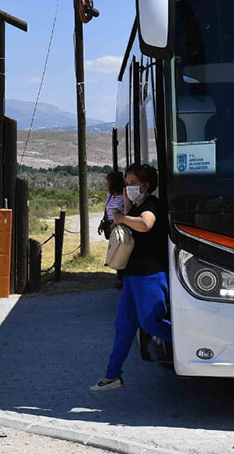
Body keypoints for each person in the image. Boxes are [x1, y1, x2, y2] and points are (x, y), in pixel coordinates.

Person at [91, 163, 173, 392]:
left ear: (147, 185)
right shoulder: (135, 206)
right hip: (134, 275)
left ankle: (189, 340)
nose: (129, 188)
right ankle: (112, 375)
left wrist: (122, 218)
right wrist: (126, 207)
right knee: (124, 326)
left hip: (150, 275)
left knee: (150, 322)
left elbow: (146, 224)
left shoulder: (151, 204)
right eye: (127, 184)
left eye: (133, 184)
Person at [97, 171, 126, 290]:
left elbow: (126, 210)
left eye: (108, 182)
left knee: (121, 250)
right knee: (115, 249)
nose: (107, 185)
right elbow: (106, 209)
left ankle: (122, 278)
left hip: (120, 225)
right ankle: (119, 276)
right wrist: (102, 222)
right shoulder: (110, 194)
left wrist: (116, 222)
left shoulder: (123, 195)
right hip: (110, 225)